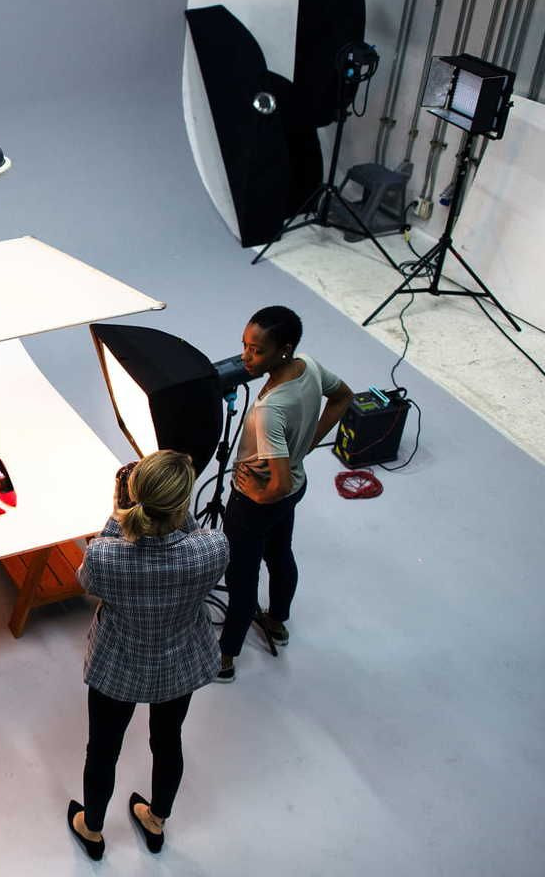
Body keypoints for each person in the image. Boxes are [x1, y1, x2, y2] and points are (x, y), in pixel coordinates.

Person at [68, 450, 229, 859]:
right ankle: (156, 821)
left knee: (103, 750)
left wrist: (118, 513)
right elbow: (186, 532)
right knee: (168, 741)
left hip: (118, 666)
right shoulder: (211, 547)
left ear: (133, 498)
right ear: (183, 503)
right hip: (178, 664)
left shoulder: (106, 555)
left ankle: (93, 828)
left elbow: (86, 580)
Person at [216, 305, 353, 682]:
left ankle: (225, 659)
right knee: (279, 554)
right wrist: (306, 445)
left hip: (258, 500)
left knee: (241, 578)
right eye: (244, 345)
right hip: (296, 486)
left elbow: (276, 485)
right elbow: (343, 396)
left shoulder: (270, 410)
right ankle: (277, 621)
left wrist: (254, 498)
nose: (245, 356)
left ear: (284, 349)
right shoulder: (307, 366)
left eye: (256, 351)